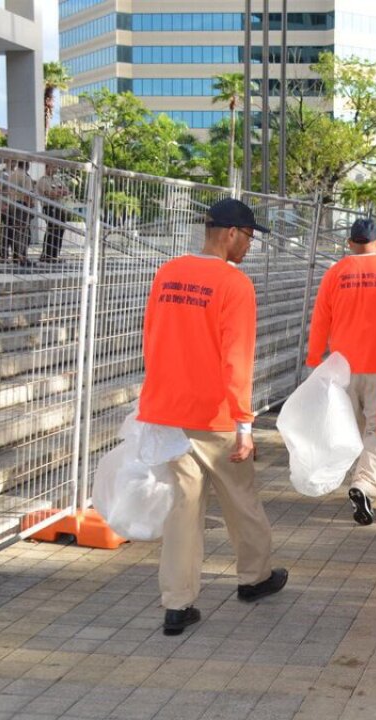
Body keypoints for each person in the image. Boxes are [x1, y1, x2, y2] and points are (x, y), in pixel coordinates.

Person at [137, 198, 288, 636]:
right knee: (240, 499)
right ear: (230, 233)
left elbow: (152, 336)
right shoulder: (233, 284)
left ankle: (177, 605)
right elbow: (236, 358)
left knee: (183, 508)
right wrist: (245, 424)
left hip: (167, 409)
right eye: (249, 238)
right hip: (215, 414)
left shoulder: (167, 273)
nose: (250, 247)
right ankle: (254, 578)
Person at [307, 218, 376, 526]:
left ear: (349, 242)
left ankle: (348, 477)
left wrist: (315, 360)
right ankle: (364, 485)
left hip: (343, 367)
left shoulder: (335, 273)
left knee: (350, 429)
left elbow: (320, 321)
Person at [0, 159, 35, 266]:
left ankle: (15, 255)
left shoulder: (12, 175)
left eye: (14, 161)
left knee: (13, 231)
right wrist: (1, 204)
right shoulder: (3, 174)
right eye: (11, 160)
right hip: (12, 205)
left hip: (10, 205)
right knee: (14, 231)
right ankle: (8, 255)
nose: (13, 163)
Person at [36, 166, 72, 263]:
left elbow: (67, 191)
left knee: (60, 231)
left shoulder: (57, 180)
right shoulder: (43, 180)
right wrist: (60, 192)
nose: (55, 169)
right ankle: (47, 255)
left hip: (59, 208)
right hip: (49, 207)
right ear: (47, 167)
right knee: (52, 230)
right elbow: (50, 193)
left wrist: (59, 192)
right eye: (53, 167)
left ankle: (55, 254)